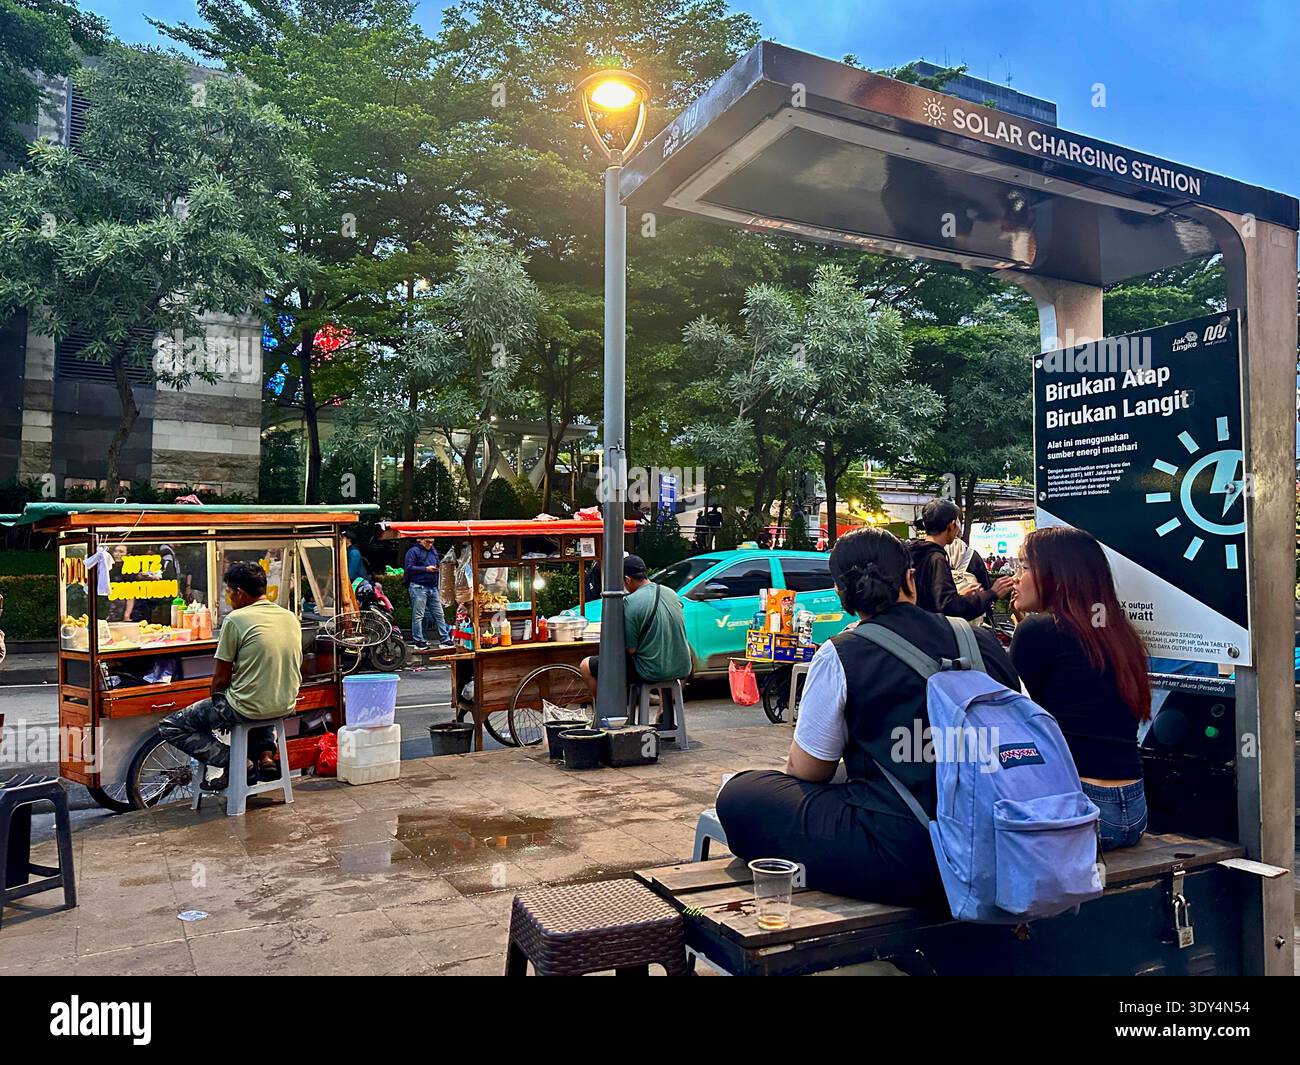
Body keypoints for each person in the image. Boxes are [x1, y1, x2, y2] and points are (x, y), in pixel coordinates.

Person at [716, 528, 1020, 903]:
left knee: (740, 795)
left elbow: (809, 771)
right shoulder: (983, 642)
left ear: (842, 595)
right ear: (911, 579)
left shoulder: (842, 652)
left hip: (908, 858)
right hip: (1003, 841)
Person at [1008, 526, 1151, 851]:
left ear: (1057, 575)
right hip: (1134, 810)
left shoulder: (1038, 630)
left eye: (1025, 566)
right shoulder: (1117, 632)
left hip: (1081, 811)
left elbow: (1011, 718)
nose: (1017, 577)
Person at [158, 562, 302, 790]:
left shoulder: (236, 620)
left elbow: (221, 679)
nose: (228, 597)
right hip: (285, 704)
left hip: (248, 707)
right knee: (255, 699)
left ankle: (235, 761)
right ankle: (264, 756)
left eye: (228, 591)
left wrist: (219, 708)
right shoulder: (290, 617)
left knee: (170, 726)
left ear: (240, 593)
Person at [580, 554, 691, 699]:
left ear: (627, 579)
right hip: (682, 666)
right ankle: (664, 711)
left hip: (651, 670)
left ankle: (603, 713)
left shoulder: (630, 603)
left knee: (586, 665)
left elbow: (631, 649)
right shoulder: (671, 593)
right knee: (657, 656)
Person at [907, 499, 1014, 621]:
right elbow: (948, 607)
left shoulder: (913, 553)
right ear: (952, 525)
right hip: (931, 633)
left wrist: (960, 596)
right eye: (958, 522)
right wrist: (991, 594)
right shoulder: (937, 559)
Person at [404, 535, 451, 649]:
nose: (430, 544)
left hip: (432, 586)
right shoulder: (413, 551)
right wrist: (425, 569)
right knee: (418, 615)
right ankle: (419, 640)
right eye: (427, 542)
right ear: (419, 540)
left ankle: (445, 639)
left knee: (439, 613)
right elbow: (409, 567)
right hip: (418, 586)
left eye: (432, 542)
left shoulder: (433, 551)